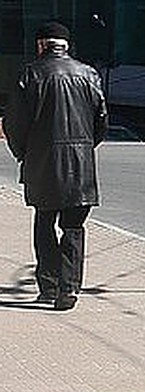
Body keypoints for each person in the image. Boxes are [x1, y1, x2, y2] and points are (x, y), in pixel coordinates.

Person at [4, 21, 108, 310]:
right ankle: (69, 289)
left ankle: (48, 287)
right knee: (74, 227)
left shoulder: (30, 74)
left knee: (45, 222)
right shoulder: (88, 74)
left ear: (41, 45)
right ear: (65, 46)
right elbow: (101, 121)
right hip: (80, 167)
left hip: (42, 164)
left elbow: (14, 123)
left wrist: (23, 153)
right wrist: (85, 149)